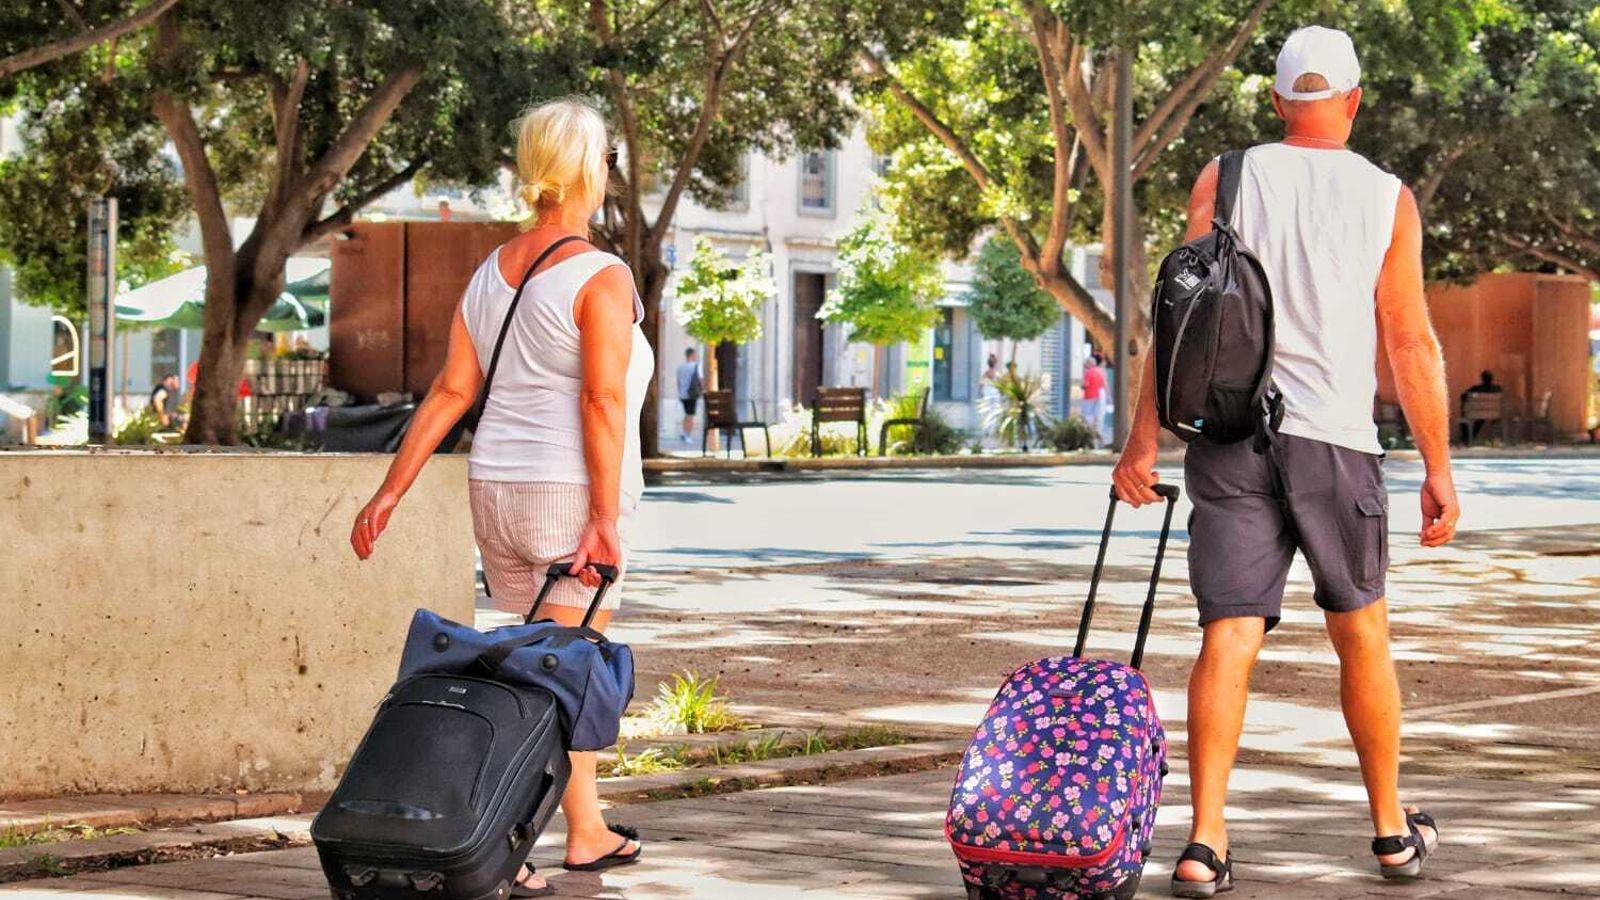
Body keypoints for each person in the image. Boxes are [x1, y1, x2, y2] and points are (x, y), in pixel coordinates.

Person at [1112, 26, 1458, 896]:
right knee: (1360, 632)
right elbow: (1409, 340)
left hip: (1229, 438)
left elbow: (1180, 317)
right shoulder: (1388, 197)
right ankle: (1388, 831)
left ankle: (1204, 843)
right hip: (1337, 442)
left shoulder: (1226, 177)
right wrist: (1438, 468)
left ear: (1275, 103)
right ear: (1352, 100)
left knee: (1229, 632)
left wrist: (1142, 440)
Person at [349, 97, 647, 897]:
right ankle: (500, 843)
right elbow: (603, 402)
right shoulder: (601, 274)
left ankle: (584, 831)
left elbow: (450, 392)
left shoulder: (493, 271)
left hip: (496, 492)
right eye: (607, 160)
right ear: (590, 170)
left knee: (541, 677)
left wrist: (391, 490)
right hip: (564, 496)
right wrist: (604, 519)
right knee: (557, 684)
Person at [1459, 369, 1504, 441]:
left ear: (1482, 378)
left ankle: (1466, 438)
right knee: (1480, 418)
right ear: (1492, 378)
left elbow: (1463, 397)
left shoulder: (1476, 388)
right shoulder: (1498, 389)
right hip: (1495, 414)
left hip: (1477, 414)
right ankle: (1498, 439)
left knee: (1465, 418)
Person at [1081, 352, 1107, 447]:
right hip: (1100, 396)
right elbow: (1104, 385)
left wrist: (1082, 386)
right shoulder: (1100, 371)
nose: (1085, 365)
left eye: (1086, 363)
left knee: (1088, 417)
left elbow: (1085, 385)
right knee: (1098, 418)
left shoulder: (1089, 372)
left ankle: (1089, 439)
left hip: (1090, 397)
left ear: (1089, 364)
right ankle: (1099, 439)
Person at [676, 347, 702, 443]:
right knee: (690, 416)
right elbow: (700, 380)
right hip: (692, 394)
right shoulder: (696, 366)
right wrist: (702, 390)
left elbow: (678, 382)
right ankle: (687, 435)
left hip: (683, 395)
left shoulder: (681, 367)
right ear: (691, 355)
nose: (696, 356)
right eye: (695, 354)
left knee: (687, 414)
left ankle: (684, 433)